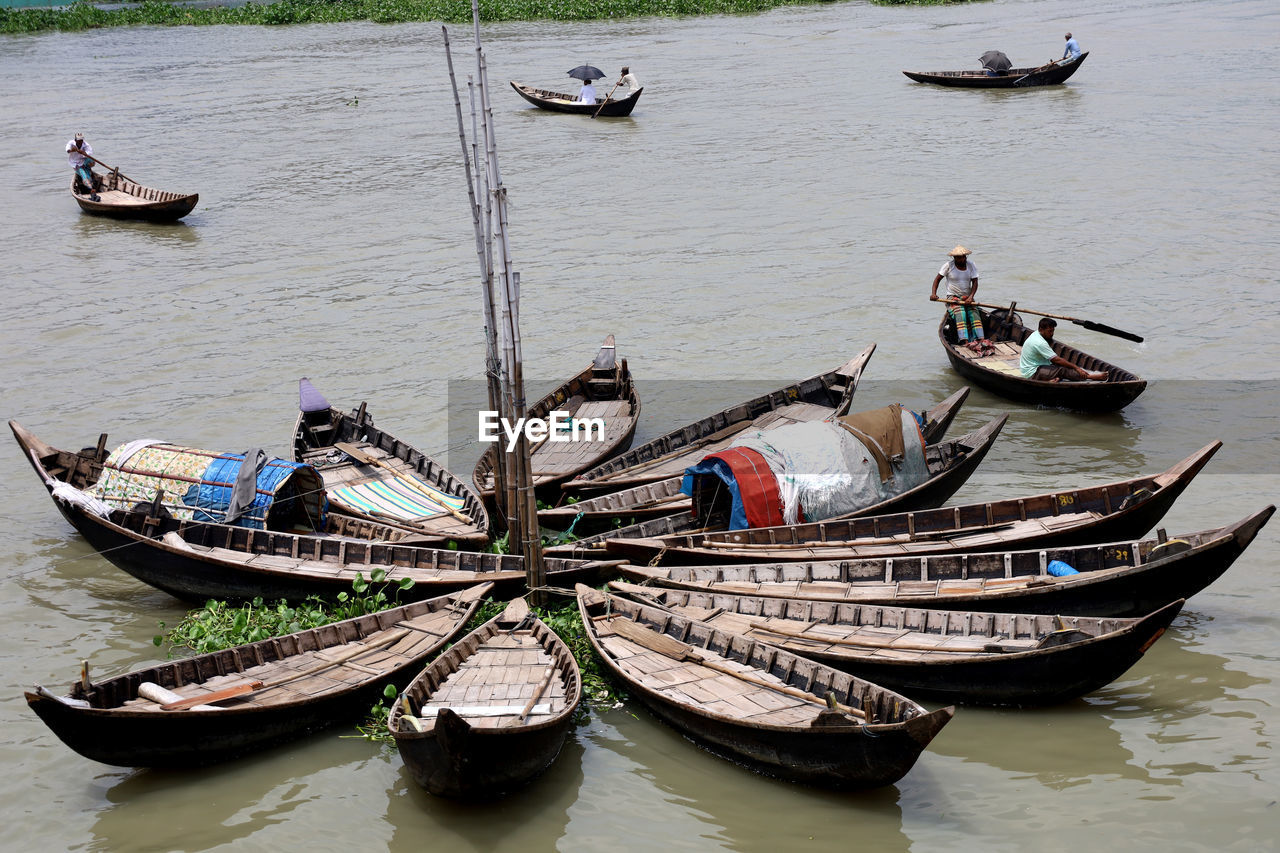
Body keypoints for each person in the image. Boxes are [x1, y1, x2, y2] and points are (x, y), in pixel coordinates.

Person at [1019, 318, 1108, 381]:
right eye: (1049, 331)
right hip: (1032, 373)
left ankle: (1048, 380)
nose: (1052, 334)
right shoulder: (1039, 342)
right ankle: (1090, 377)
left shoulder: (1036, 334)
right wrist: (1076, 368)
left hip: (1036, 368)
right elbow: (1056, 359)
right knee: (1062, 370)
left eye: (1053, 331)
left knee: (1061, 367)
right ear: (1041, 329)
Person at [930, 245, 984, 341]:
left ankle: (980, 339)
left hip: (967, 297)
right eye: (957, 257)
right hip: (952, 297)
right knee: (960, 313)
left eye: (961, 257)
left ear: (965, 257)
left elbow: (975, 282)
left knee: (974, 313)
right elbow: (937, 279)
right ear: (954, 257)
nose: (959, 259)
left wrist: (971, 297)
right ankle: (964, 340)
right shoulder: (948, 265)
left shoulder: (971, 265)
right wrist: (934, 294)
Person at [66, 132, 100, 201]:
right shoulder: (71, 143)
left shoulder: (85, 144)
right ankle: (91, 189)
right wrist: (72, 150)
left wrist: (84, 153)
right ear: (75, 140)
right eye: (79, 141)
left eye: (81, 140)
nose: (80, 142)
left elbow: (90, 152)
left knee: (92, 161)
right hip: (75, 163)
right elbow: (68, 149)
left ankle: (87, 168)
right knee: (85, 176)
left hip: (83, 160)